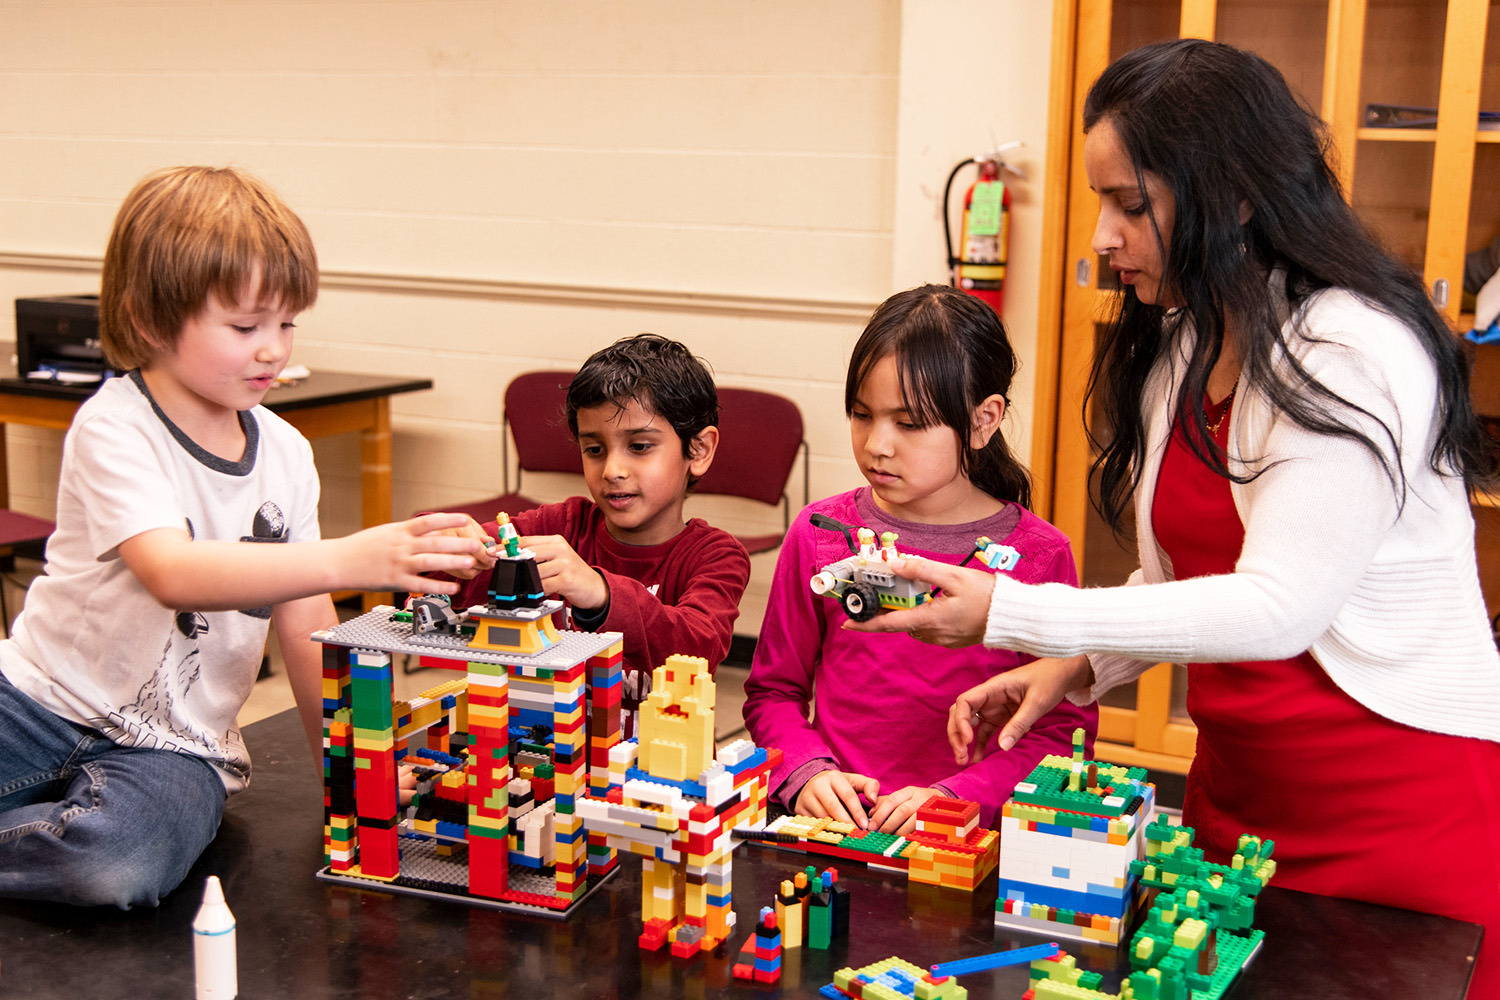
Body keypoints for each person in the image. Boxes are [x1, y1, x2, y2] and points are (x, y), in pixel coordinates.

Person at [856, 40, 1500, 992]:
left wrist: (1009, 611)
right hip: (1241, 796)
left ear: (1232, 195)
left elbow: (1277, 608)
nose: (1102, 237)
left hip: (1394, 810)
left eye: (1130, 204)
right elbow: (1179, 580)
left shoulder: (1349, 351)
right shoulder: (1190, 340)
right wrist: (1078, 666)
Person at [0, 166, 488, 909]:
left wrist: (351, 779)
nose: (273, 350)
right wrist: (352, 557)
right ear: (149, 319)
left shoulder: (285, 453)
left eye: (287, 324)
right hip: (34, 703)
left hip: (174, 750)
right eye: (245, 327)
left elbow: (307, 625)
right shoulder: (115, 426)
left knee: (117, 868)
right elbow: (170, 570)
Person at [742, 285, 1096, 835]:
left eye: (908, 424)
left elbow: (1059, 735)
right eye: (862, 415)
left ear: (983, 420)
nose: (877, 445)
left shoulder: (1039, 555)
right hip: (834, 831)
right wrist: (807, 771)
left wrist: (957, 798)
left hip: (967, 841)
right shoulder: (818, 535)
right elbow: (773, 693)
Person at [439, 334, 750, 738]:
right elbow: (447, 569)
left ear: (699, 450)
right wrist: (448, 545)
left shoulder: (716, 556)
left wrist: (601, 593)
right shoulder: (561, 525)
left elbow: (697, 648)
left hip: (659, 764)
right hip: (546, 755)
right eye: (595, 450)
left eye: (640, 446)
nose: (612, 470)